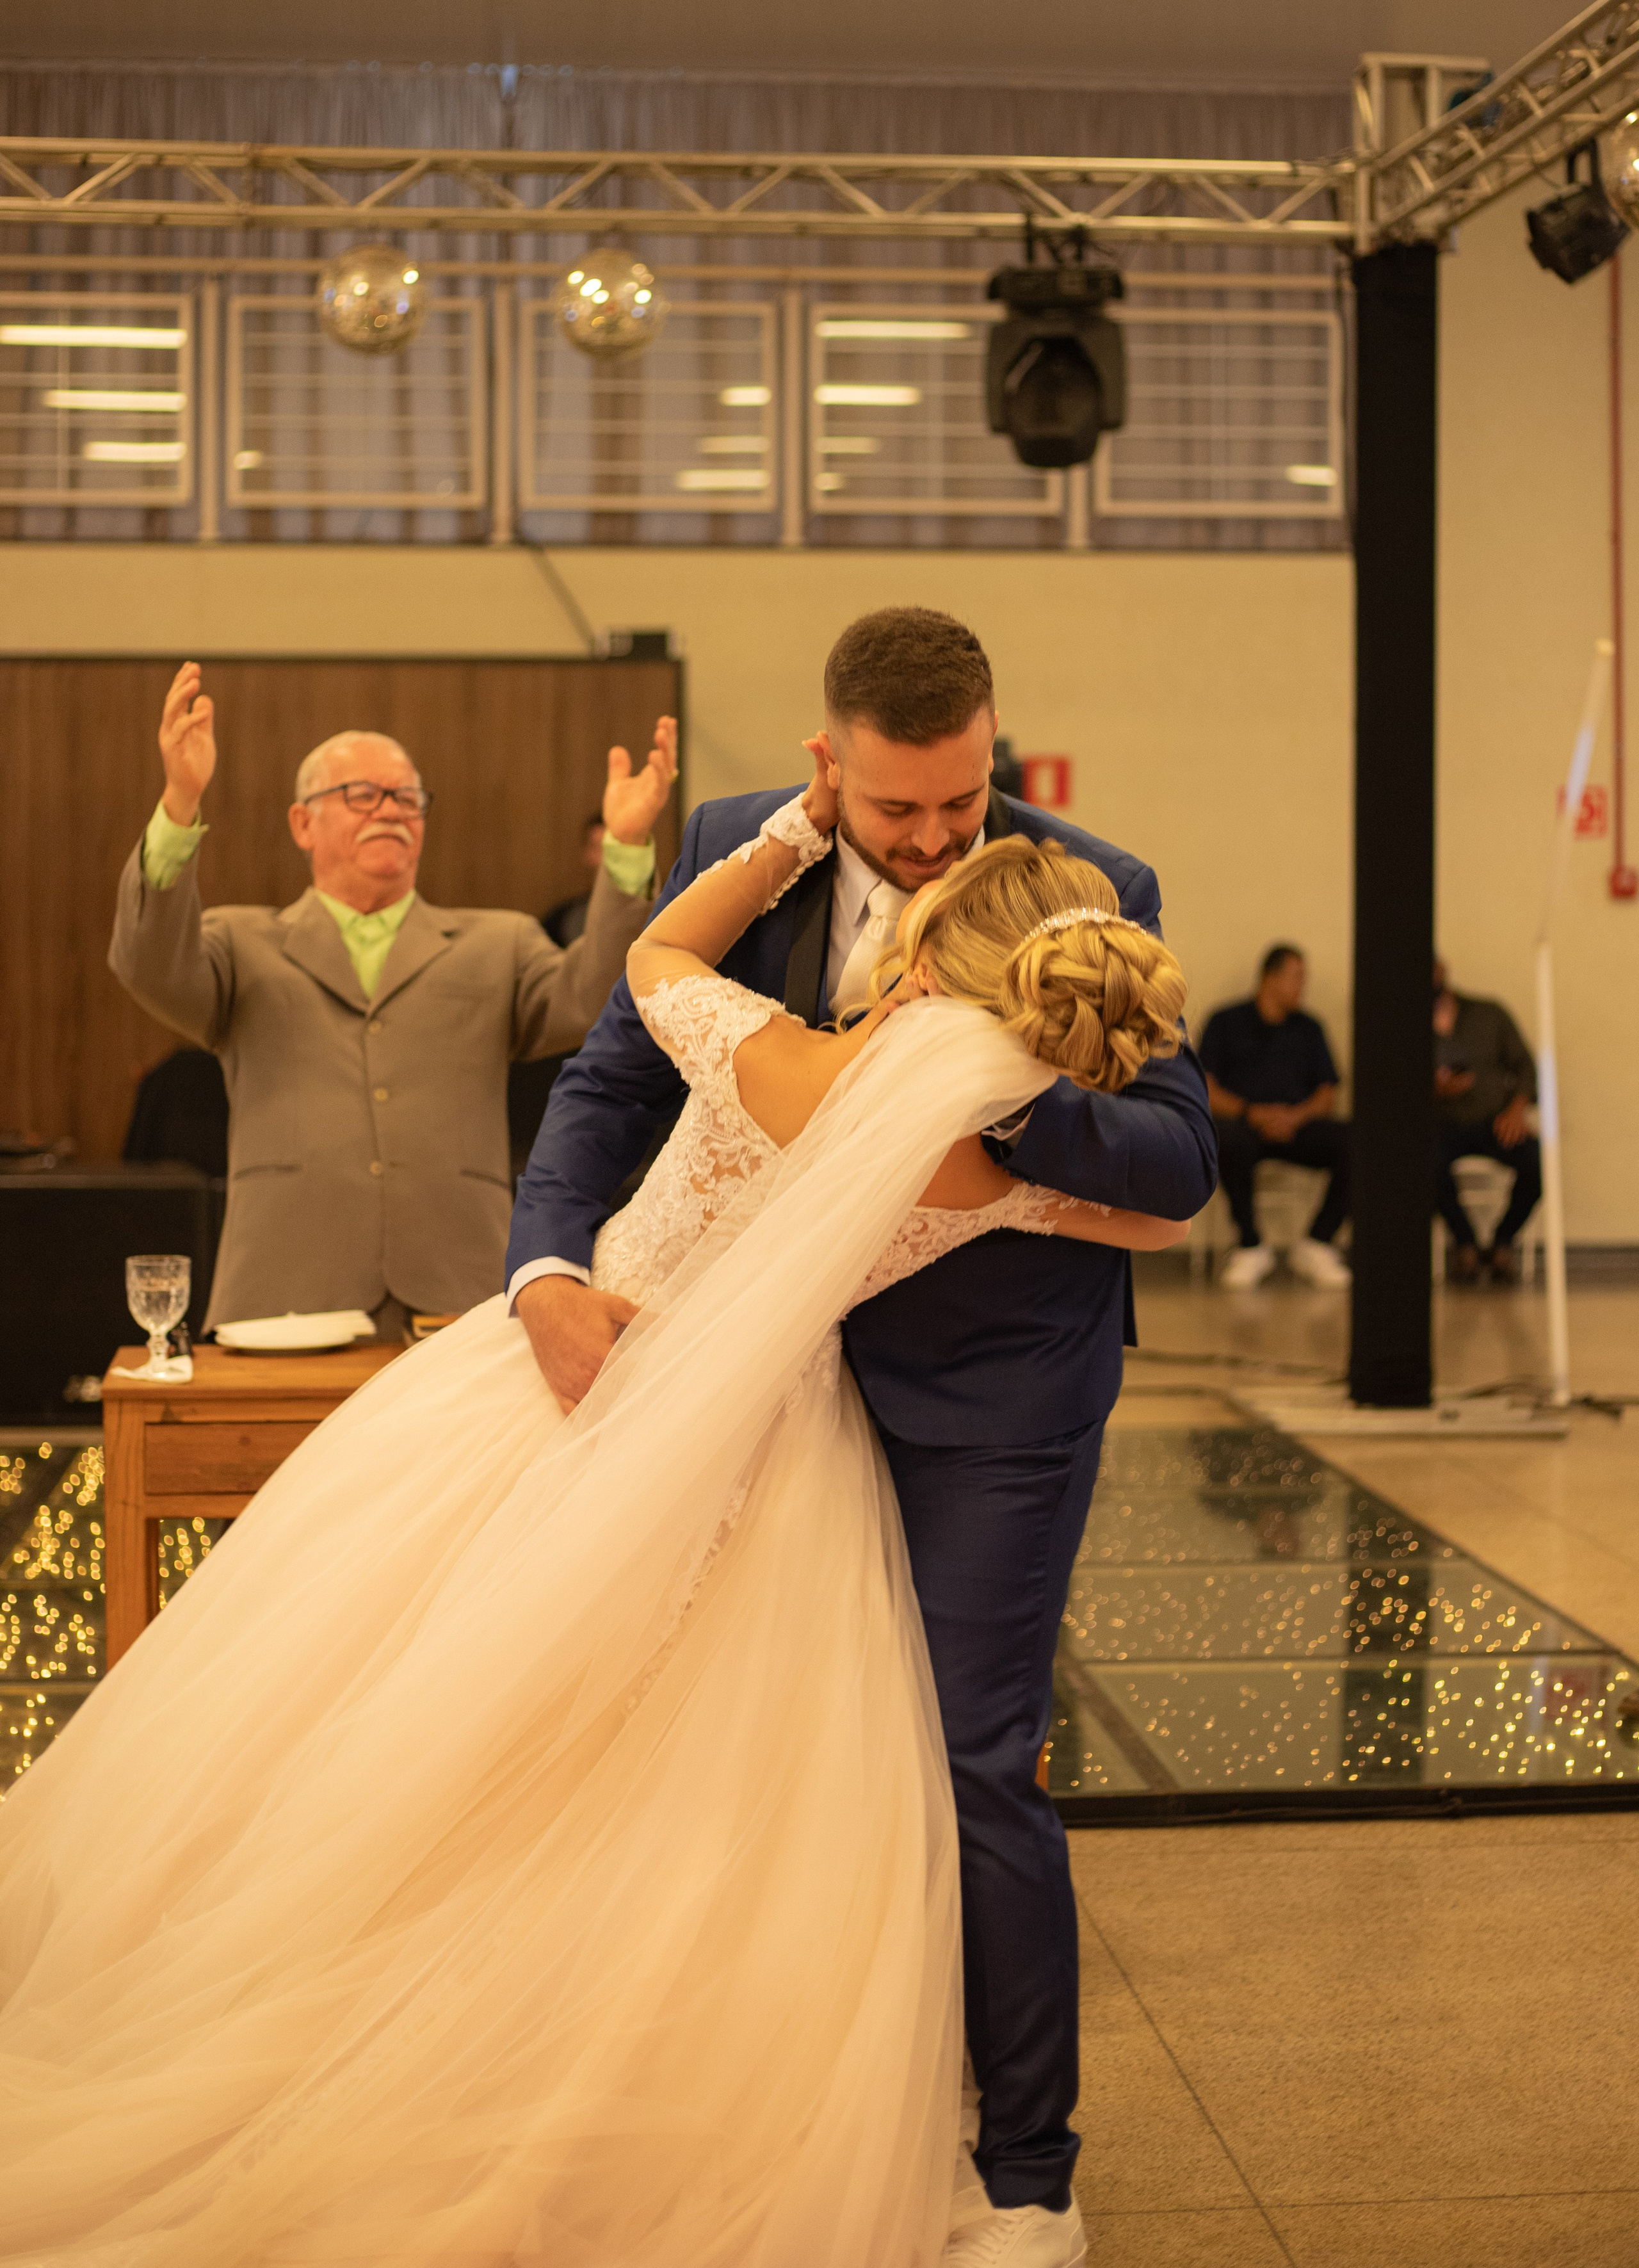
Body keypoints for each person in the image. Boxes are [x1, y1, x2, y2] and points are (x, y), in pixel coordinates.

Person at [0, 767, 1193, 2268]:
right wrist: (1030, 1114)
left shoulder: (767, 1054)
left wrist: (780, 837)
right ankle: (648, 2090)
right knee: (701, 1799)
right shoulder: (977, 1164)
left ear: (922, 959)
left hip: (564, 1397)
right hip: (772, 1455)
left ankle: (398, 2034)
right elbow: (1157, 1209)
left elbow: (646, 968)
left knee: (425, 1733)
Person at [508, 607, 1218, 2266]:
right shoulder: (729, 853)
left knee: (978, 1761)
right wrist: (545, 1263)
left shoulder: (1084, 882)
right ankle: (767, 2100)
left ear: (992, 747)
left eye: (963, 798)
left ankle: (1028, 2169)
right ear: (832, 763)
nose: (936, 837)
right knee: (741, 1748)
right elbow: (611, 1077)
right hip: (743, 1378)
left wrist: (957, 1096)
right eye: (900, 810)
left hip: (993, 1394)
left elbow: (1176, 1168)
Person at [108, 662, 675, 1336]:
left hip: (460, 1286)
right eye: (361, 794)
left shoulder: (499, 943)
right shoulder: (239, 942)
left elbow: (595, 1000)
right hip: (287, 1285)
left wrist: (627, 848)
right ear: (302, 823)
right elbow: (148, 965)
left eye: (407, 798)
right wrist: (179, 802)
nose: (390, 810)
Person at [1197, 943, 1352, 1290]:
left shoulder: (1309, 1028)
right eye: (1297, 978)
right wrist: (1254, 1113)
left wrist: (1295, 1117)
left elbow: (1327, 1093)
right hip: (1244, 1125)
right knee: (1223, 1140)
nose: (1303, 987)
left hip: (1297, 1127)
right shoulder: (1225, 1022)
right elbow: (1205, 1089)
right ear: (1270, 977)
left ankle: (1318, 1242)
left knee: (1357, 1141)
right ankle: (1250, 1244)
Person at [1433, 957, 1541, 1283]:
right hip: (1441, 1123)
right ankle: (1464, 1243)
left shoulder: (1488, 1015)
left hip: (1495, 1120)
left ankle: (1502, 1243)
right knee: (1424, 1161)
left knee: (1536, 1162)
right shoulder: (1402, 1026)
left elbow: (1526, 1067)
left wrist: (1516, 1111)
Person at [542, 811, 606, 946]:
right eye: (600, 848)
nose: (609, 859)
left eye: (617, 851)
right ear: (587, 854)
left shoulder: (658, 914)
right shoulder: (561, 920)